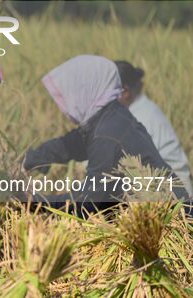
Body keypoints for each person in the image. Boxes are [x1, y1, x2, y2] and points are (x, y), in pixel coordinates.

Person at [23, 55, 176, 215]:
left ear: (89, 89)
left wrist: (35, 202)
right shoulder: (109, 114)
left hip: (169, 219)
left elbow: (89, 202)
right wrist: (28, 160)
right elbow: (68, 145)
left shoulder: (107, 134)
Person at [115, 61, 193, 197]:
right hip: (168, 187)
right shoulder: (142, 108)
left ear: (125, 92)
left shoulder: (138, 117)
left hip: (173, 194)